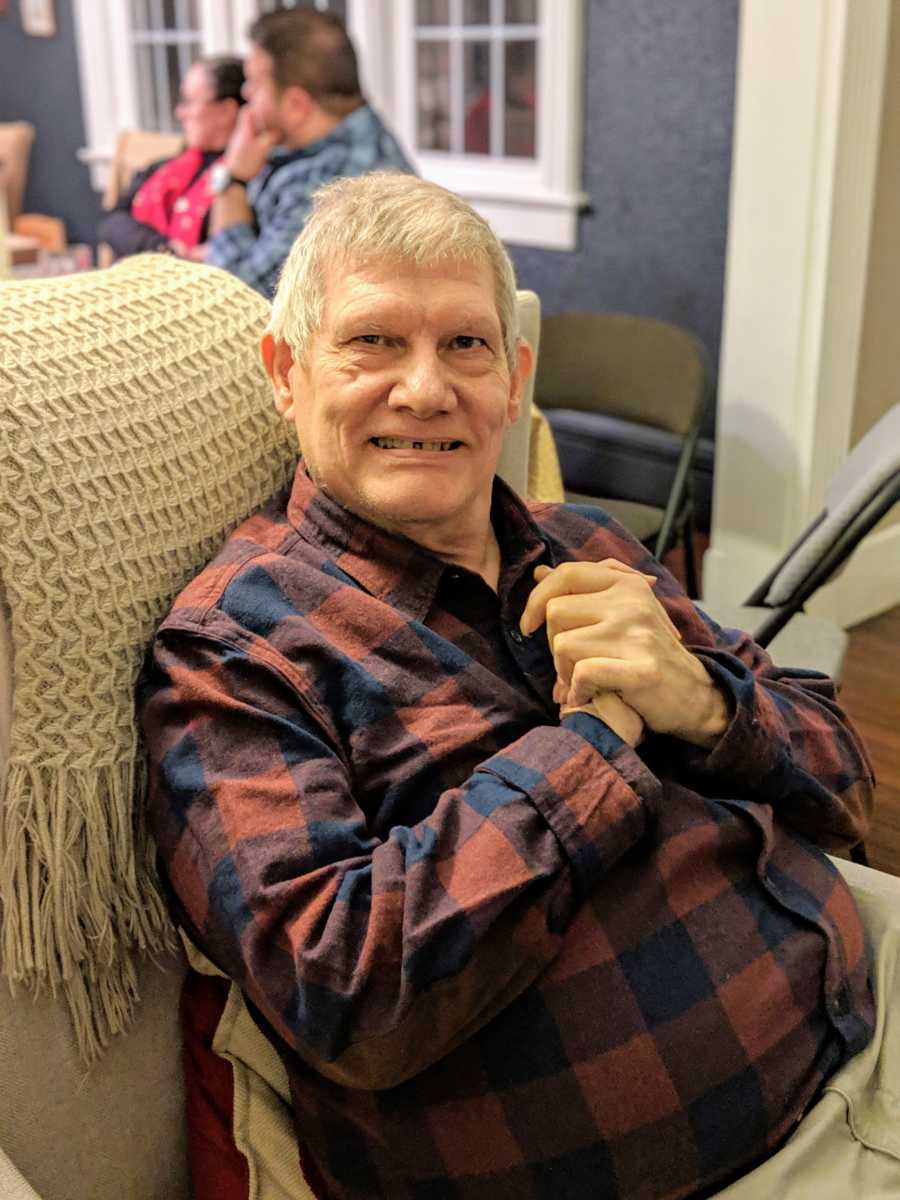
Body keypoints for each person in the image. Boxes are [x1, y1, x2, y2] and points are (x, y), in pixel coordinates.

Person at [139, 173, 878, 1200]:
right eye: (374, 342)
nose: (427, 388)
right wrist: (600, 742)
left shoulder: (590, 544)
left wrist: (702, 701)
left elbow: (845, 784)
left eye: (467, 345)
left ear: (515, 374)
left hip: (860, 1021)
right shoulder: (236, 652)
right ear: (286, 372)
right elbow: (344, 994)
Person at [203, 8, 413, 298]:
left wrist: (233, 179)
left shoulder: (331, 186)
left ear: (296, 105)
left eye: (255, 82)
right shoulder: (334, 136)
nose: (246, 93)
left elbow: (235, 297)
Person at [97, 56, 245, 259]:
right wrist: (162, 249)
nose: (179, 113)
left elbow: (230, 254)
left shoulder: (239, 183)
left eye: (188, 102)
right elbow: (111, 221)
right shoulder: (163, 166)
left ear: (226, 111)